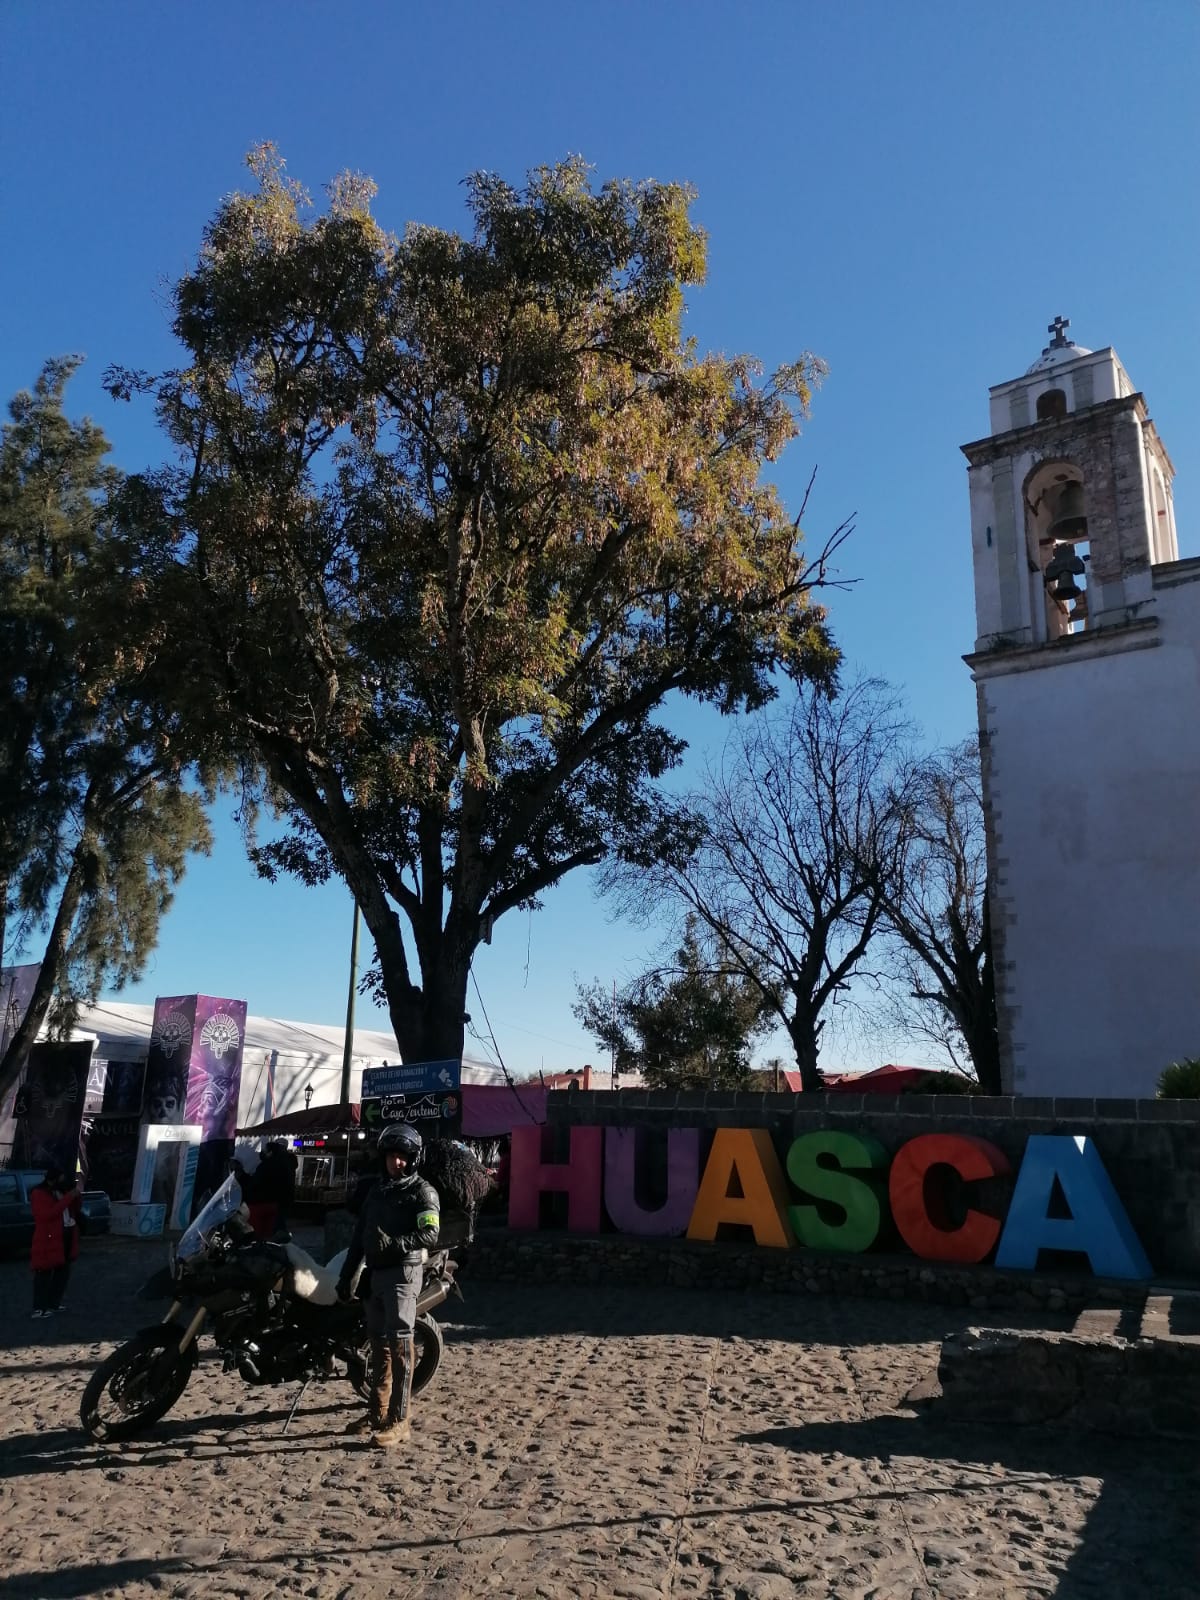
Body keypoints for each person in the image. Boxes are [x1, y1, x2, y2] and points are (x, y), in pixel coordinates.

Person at [336, 1123, 440, 1447]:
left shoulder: (422, 1191)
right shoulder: (377, 1192)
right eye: (391, 1156)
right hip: (376, 1275)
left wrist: (394, 1243)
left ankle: (400, 1418)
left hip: (403, 1275)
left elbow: (429, 1234)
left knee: (400, 1348)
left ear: (413, 1159)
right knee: (378, 1347)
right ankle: (377, 1411)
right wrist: (347, 1274)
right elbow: (359, 1237)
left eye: (402, 1157)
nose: (396, 1163)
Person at [29, 1165, 82, 1318]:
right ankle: (39, 1308)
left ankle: (54, 1303)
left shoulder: (60, 1191)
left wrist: (75, 1196)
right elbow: (47, 1214)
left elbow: (74, 1209)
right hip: (48, 1239)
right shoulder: (39, 1193)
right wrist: (68, 1197)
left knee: (63, 1272)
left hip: (64, 1235)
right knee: (44, 1273)